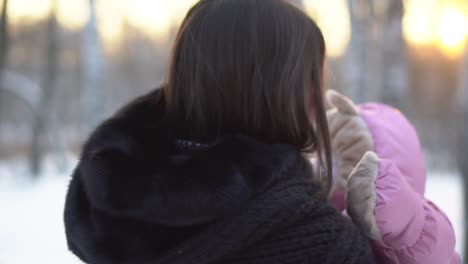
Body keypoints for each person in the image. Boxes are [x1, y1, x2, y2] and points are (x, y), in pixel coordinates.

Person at [63, 0, 373, 263]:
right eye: (312, 81)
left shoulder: (111, 209)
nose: (317, 97)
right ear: (282, 93)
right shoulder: (323, 244)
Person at [327, 90, 461, 264]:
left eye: (347, 157)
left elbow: (433, 251)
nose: (326, 168)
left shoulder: (417, 227)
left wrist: (396, 214)